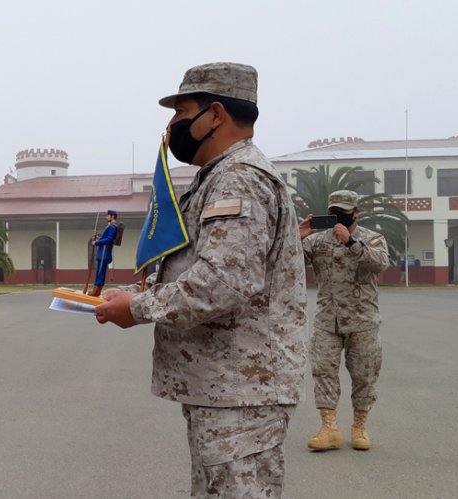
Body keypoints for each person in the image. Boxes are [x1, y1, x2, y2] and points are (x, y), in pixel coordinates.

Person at [94, 62, 308, 498]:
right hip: (225, 387)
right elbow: (201, 268)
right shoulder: (219, 177)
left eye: (181, 112)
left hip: (242, 391)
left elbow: (223, 282)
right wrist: (134, 294)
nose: (172, 126)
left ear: (215, 114)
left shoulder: (240, 180)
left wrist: (138, 309)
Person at [299, 190, 390, 451]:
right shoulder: (316, 241)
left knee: (365, 375)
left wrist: (351, 243)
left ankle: (359, 426)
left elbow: (381, 263)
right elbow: (288, 264)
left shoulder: (372, 239)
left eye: (344, 212)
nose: (339, 216)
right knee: (323, 371)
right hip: (328, 320)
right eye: (334, 212)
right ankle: (329, 428)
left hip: (363, 321)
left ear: (356, 213)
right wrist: (297, 237)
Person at [88, 210, 119, 297]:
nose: (107, 217)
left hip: (104, 253)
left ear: (112, 216)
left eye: (108, 215)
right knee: (99, 272)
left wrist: (97, 242)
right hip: (103, 252)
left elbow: (109, 239)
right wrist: (99, 238)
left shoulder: (112, 226)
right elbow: (105, 238)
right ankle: (95, 290)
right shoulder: (110, 226)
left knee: (100, 273)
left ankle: (96, 291)